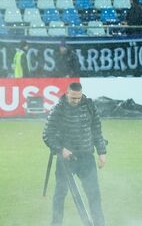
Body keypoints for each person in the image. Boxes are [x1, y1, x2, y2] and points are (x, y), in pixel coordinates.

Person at [43, 82, 107, 226]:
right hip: (66, 161)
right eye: (73, 98)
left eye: (78, 98)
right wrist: (61, 149)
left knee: (94, 195)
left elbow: (97, 130)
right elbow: (47, 135)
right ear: (67, 94)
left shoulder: (90, 106)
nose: (76, 101)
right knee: (60, 195)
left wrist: (102, 152)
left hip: (86, 158)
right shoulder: (58, 109)